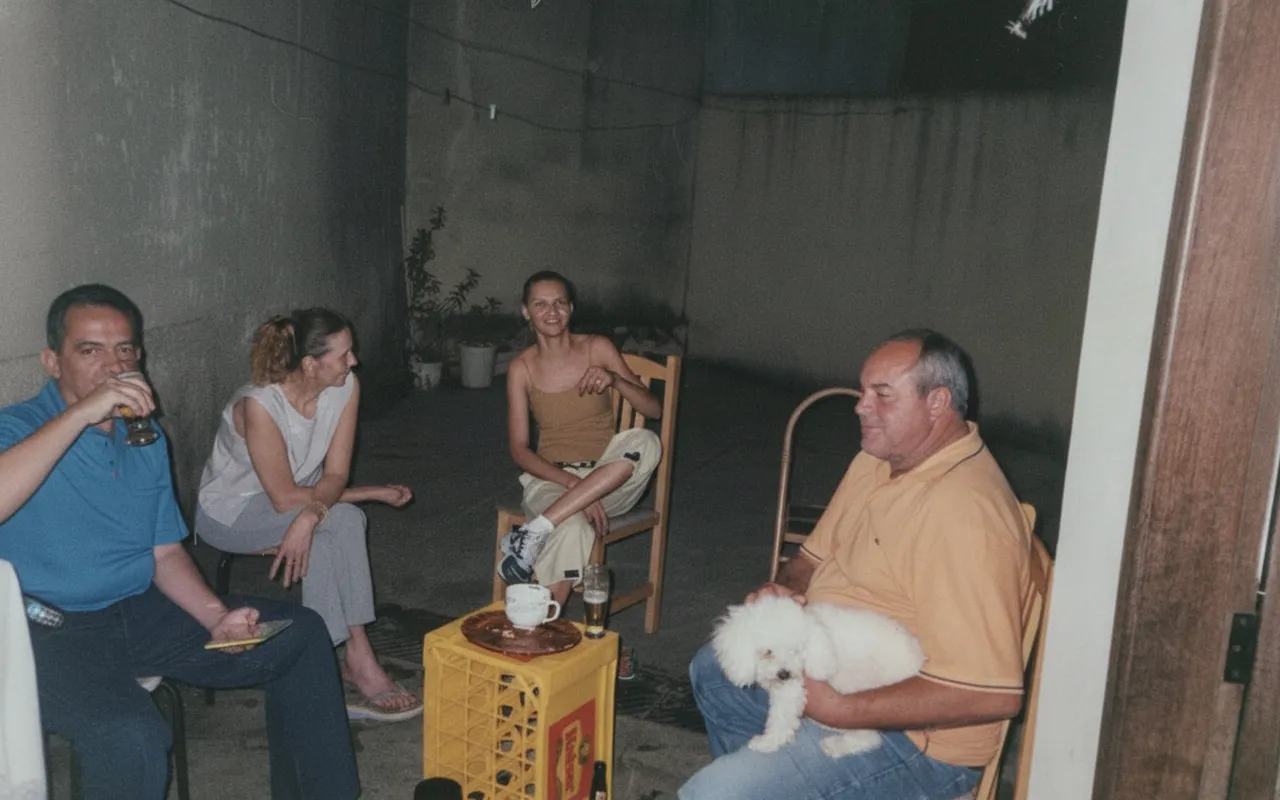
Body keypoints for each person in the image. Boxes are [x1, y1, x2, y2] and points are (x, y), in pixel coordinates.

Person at [0, 284, 359, 800]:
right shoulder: (16, 428)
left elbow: (165, 551)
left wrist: (215, 616)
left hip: (137, 612)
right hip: (42, 632)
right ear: (52, 361)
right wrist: (80, 415)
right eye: (89, 350)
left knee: (299, 635)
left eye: (124, 349)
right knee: (133, 735)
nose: (112, 364)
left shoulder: (143, 437)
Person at [679, 330, 1032, 800]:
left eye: (882, 396)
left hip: (916, 740)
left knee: (713, 794)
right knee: (713, 672)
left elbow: (990, 695)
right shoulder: (880, 458)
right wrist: (783, 589)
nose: (860, 406)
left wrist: (840, 710)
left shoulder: (964, 516)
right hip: (831, 664)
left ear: (937, 402)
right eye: (863, 391)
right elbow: (810, 559)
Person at [196, 309, 421, 722]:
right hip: (233, 513)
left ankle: (337, 656)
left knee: (339, 523)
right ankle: (352, 656)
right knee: (345, 519)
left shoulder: (345, 387)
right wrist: (368, 494)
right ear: (309, 364)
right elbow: (282, 497)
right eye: (344, 354)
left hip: (302, 503)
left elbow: (335, 474)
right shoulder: (260, 405)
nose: (354, 362)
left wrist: (311, 516)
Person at [498, 271, 663, 607]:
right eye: (540, 304)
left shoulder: (597, 347)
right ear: (526, 312)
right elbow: (519, 449)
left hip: (610, 481)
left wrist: (615, 380)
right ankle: (545, 615)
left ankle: (534, 532)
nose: (552, 311)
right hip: (553, 481)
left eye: (560, 302)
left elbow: (653, 408)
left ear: (571, 308)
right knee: (573, 527)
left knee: (646, 441)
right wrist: (575, 486)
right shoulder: (522, 368)